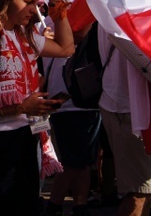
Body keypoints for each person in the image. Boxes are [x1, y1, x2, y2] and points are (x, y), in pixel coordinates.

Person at [0, 0, 75, 216]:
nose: (34, 9)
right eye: (28, 1)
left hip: (30, 136)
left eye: (37, 2)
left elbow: (66, 47)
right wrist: (20, 107)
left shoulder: (25, 37)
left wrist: (57, 3)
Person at [96, 24, 151, 216]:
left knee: (148, 190)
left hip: (140, 107)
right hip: (127, 108)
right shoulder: (120, 1)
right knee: (140, 192)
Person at [42, 24, 102, 216]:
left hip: (87, 101)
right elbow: (76, 36)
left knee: (83, 160)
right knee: (72, 161)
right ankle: (54, 205)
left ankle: (80, 204)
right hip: (67, 104)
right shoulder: (52, 24)